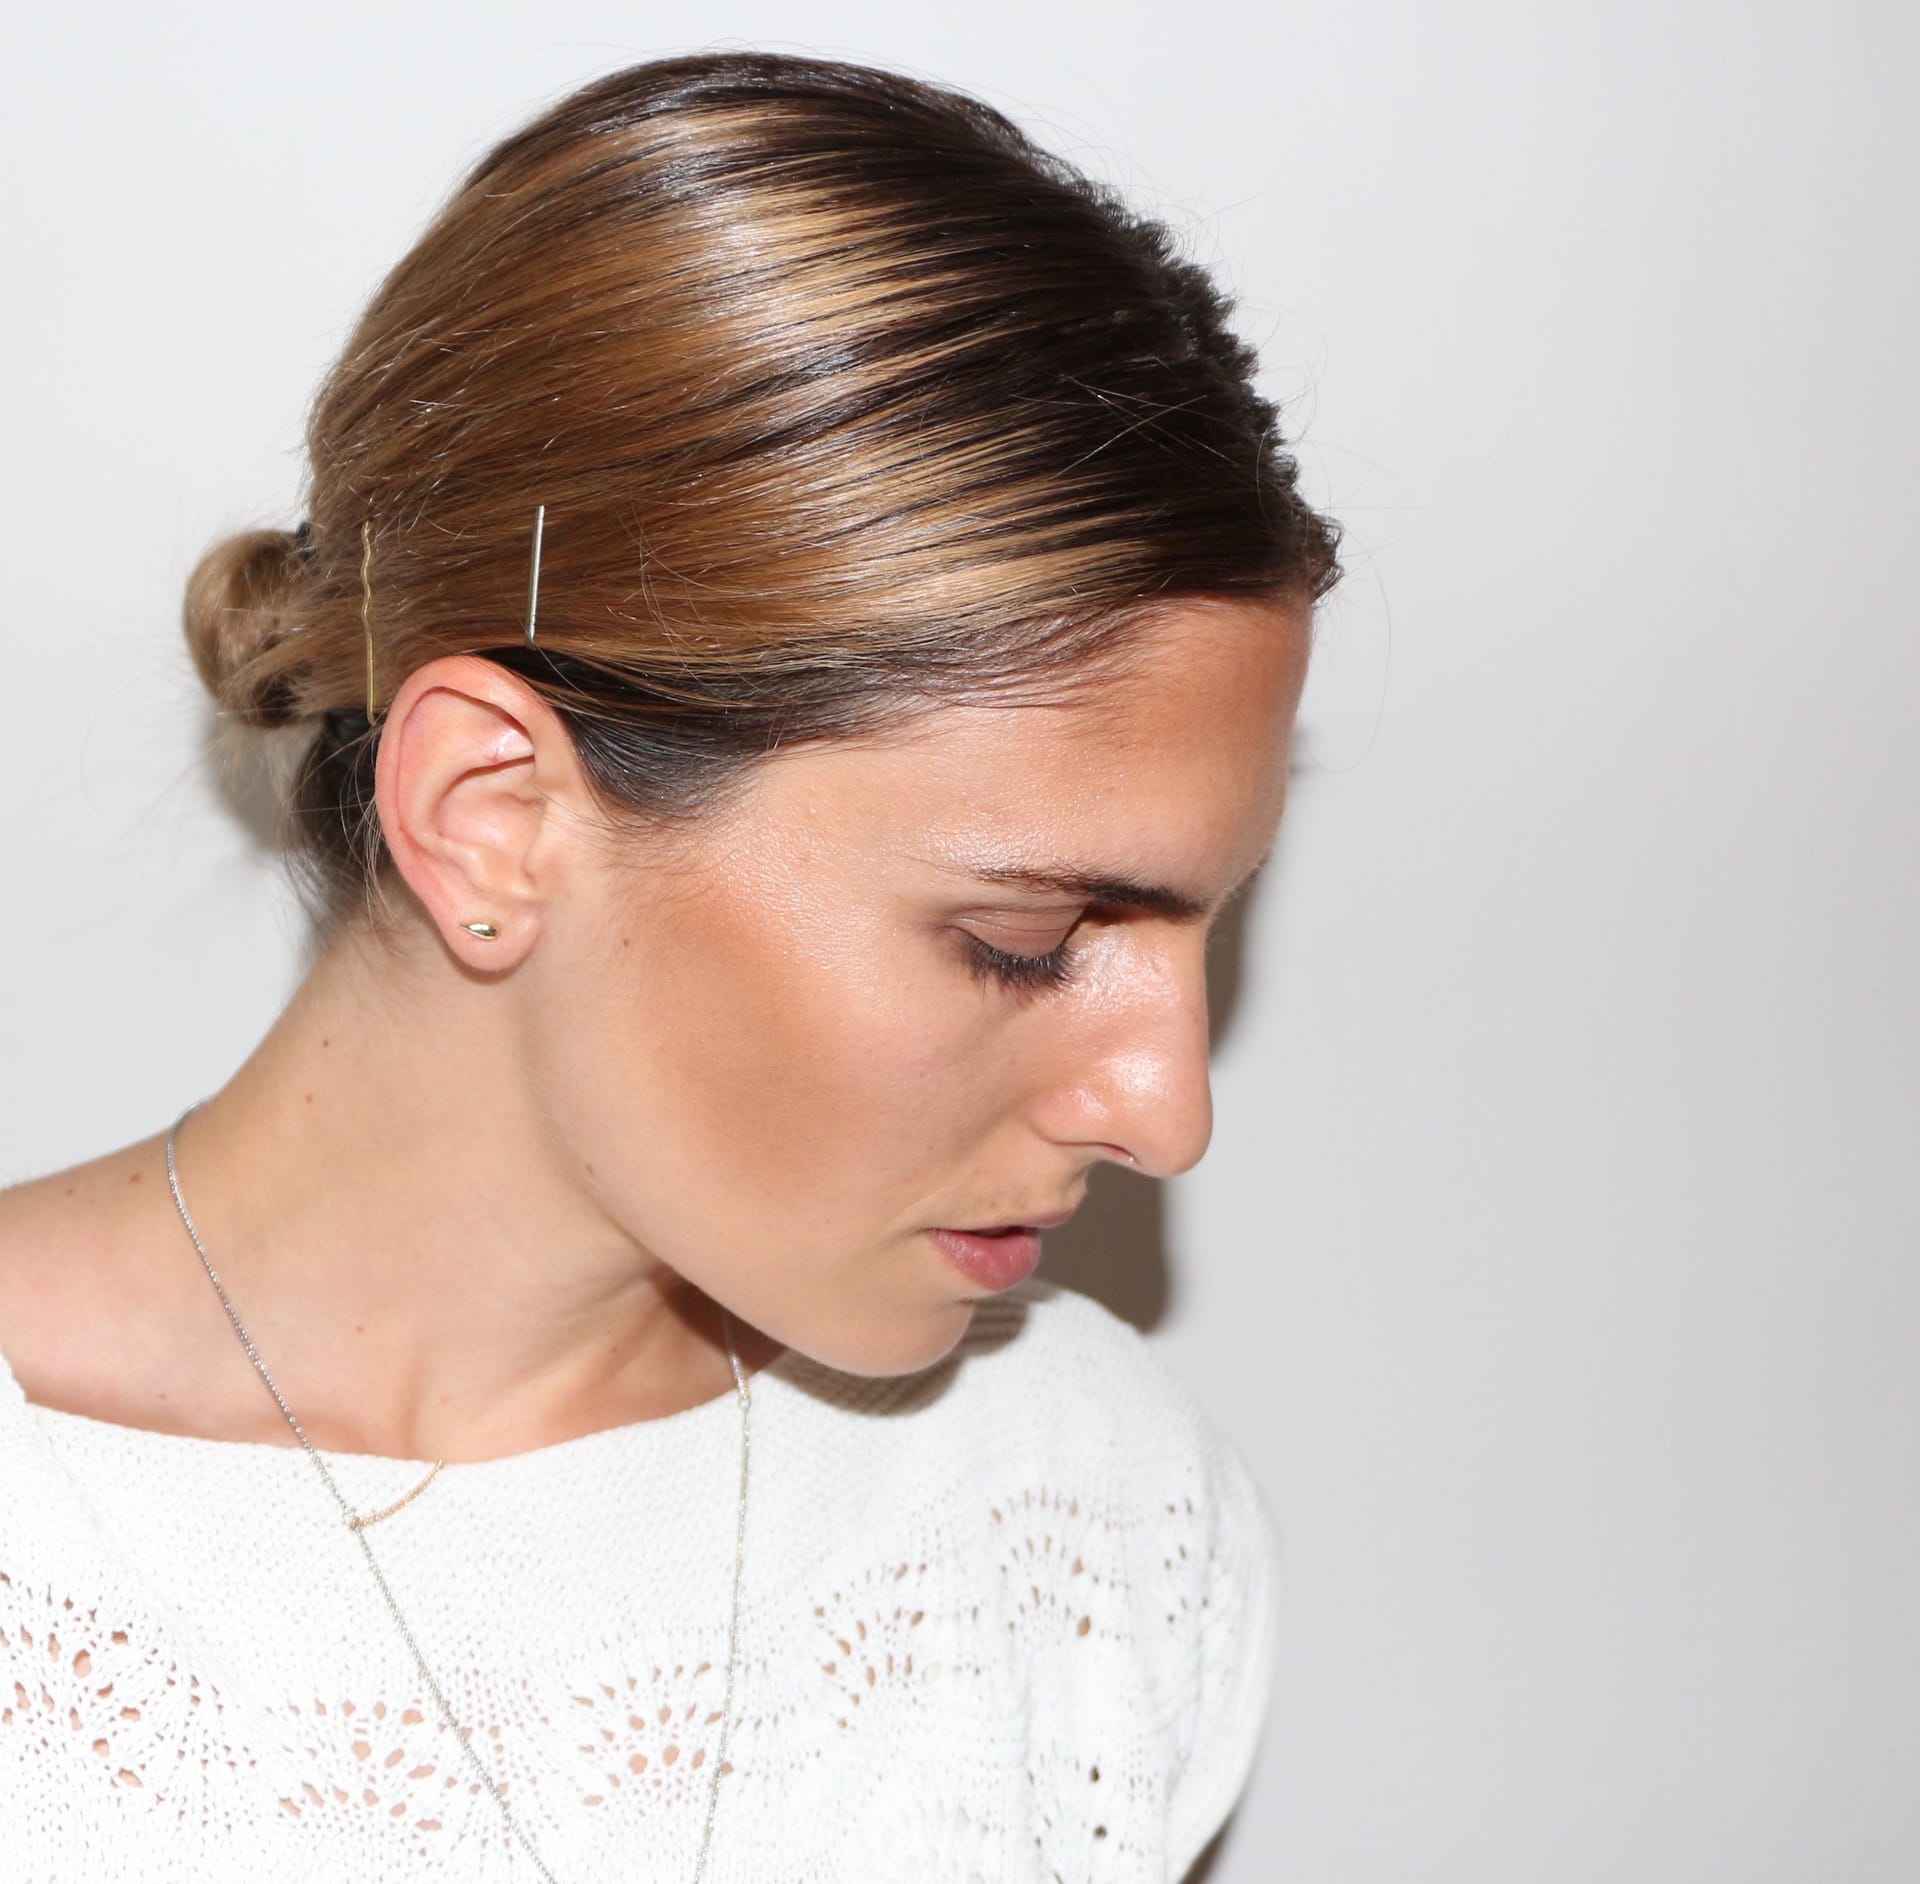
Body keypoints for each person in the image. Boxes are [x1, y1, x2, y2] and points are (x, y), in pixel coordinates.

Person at [0, 49, 1339, 1883]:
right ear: (492, 813)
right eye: (1022, 941)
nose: (1168, 1113)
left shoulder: (1084, 1522)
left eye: (1205, 924)